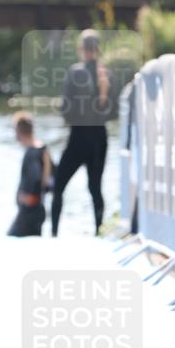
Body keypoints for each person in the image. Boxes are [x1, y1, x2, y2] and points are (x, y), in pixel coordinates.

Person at [51, 28, 112, 237]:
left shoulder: (75, 72)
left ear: (81, 49)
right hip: (99, 139)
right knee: (95, 188)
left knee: (58, 186)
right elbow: (110, 112)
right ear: (99, 50)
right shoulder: (108, 74)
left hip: (78, 137)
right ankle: (99, 232)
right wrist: (101, 97)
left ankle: (54, 233)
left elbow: (67, 110)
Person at [7, 111, 52, 237]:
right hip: (38, 210)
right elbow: (51, 180)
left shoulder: (32, 152)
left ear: (19, 131)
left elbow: (36, 177)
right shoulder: (43, 149)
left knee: (11, 238)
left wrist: (27, 197)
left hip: (29, 212)